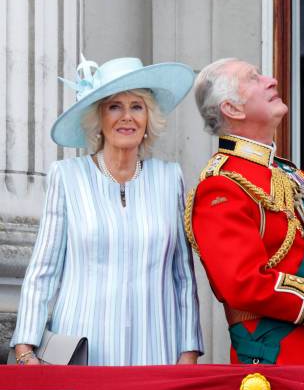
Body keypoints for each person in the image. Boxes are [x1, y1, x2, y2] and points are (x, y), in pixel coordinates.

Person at [10, 56, 204, 365]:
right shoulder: (67, 176)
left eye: (136, 106)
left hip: (156, 350)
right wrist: (25, 349)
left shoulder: (170, 178)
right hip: (82, 351)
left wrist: (189, 352)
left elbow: (183, 275)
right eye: (115, 106)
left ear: (148, 118)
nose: (127, 117)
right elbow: (43, 270)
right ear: (98, 117)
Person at [186, 58, 304, 365]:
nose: (271, 80)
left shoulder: (289, 174)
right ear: (232, 108)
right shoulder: (220, 186)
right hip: (273, 363)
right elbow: (244, 283)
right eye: (253, 78)